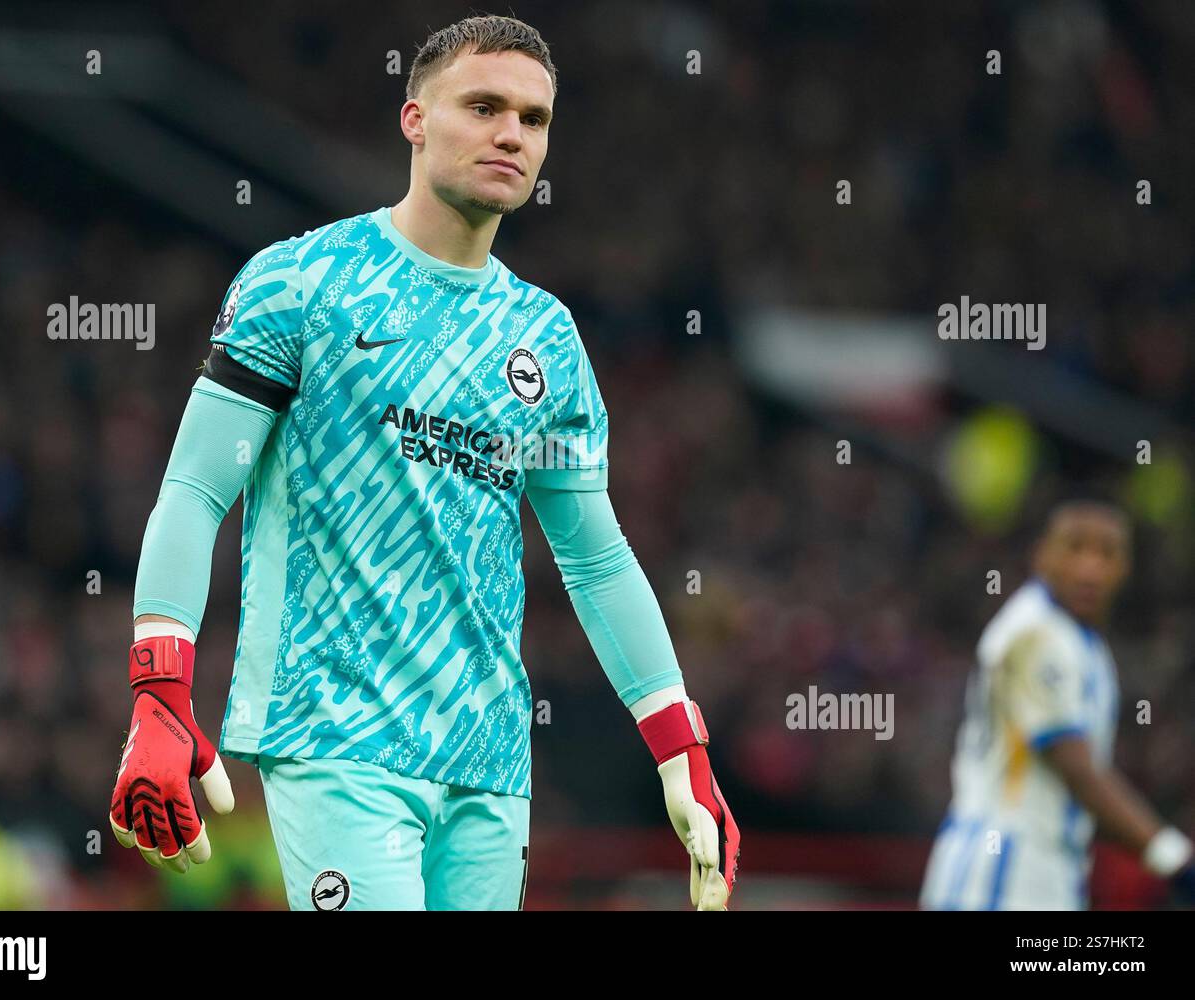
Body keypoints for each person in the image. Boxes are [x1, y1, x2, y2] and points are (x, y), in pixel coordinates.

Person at [108, 14, 739, 911]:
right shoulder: (301, 284)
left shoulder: (545, 341)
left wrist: (682, 747)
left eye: (533, 117)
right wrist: (160, 690)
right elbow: (196, 488)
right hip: (335, 731)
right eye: (483, 106)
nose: (511, 134)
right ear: (414, 118)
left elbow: (595, 556)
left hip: (489, 764)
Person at [920, 500, 1195, 909]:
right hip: (1003, 863)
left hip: (1046, 866)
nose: (1090, 568)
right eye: (1075, 547)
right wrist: (1173, 858)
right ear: (1042, 554)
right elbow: (1077, 769)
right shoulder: (1036, 634)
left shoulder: (1080, 641)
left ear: (1126, 565)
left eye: (1106, 552)